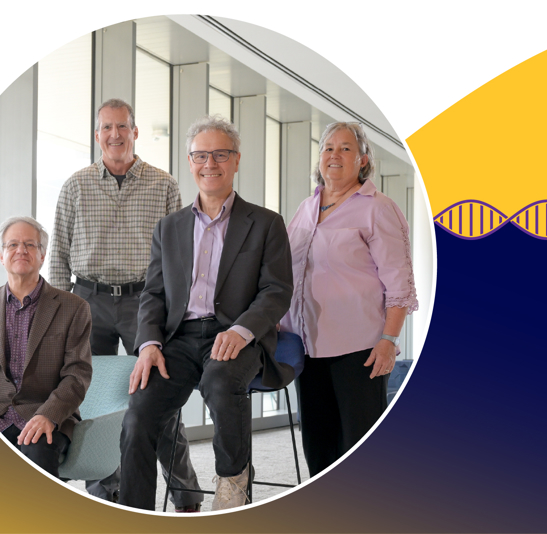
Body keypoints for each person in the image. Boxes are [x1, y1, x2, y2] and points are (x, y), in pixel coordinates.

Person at [119, 115, 294, 511]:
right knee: (138, 414)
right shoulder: (169, 227)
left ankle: (232, 483)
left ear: (235, 160)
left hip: (237, 335)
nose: (209, 164)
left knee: (219, 380)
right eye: (201, 155)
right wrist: (148, 343)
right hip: (178, 339)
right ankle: (135, 510)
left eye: (219, 154)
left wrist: (242, 331)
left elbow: (277, 290)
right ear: (189, 160)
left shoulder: (266, 223)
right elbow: (154, 294)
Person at [48, 98, 203, 510]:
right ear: (97, 135)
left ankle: (186, 494)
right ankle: (105, 495)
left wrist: (175, 312)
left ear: (135, 132)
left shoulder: (164, 184)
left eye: (122, 127)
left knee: (157, 400)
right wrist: (59, 314)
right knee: (88, 401)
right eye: (106, 128)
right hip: (86, 301)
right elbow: (59, 254)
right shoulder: (75, 185)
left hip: (144, 304)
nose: (114, 134)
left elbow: (180, 256)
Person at [280, 122, 419, 477]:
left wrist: (389, 339)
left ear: (363, 160)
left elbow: (399, 281)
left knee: (357, 444)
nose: (334, 155)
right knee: (318, 443)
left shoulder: (377, 208)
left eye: (345, 148)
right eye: (328, 148)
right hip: (306, 346)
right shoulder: (306, 207)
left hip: (359, 348)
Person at [0, 216, 93, 478]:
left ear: (42, 256)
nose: (21, 250)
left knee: (38, 453)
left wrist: (49, 415)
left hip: (44, 415)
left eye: (30, 245)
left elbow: (77, 376)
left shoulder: (73, 307)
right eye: (13, 245)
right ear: (1, 255)